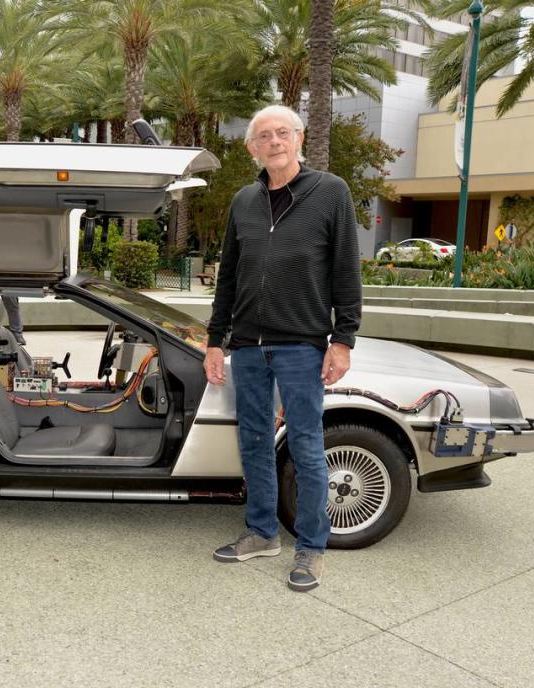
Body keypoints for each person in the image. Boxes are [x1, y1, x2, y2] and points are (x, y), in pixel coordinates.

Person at [204, 105, 361, 592]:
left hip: (302, 345)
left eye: (282, 133)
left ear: (299, 139)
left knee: (308, 448)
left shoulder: (330, 192)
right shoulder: (243, 202)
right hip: (248, 347)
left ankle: (311, 548)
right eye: (264, 136)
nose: (274, 141)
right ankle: (263, 533)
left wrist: (343, 339)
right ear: (252, 148)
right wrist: (215, 340)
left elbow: (346, 269)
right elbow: (228, 276)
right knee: (253, 442)